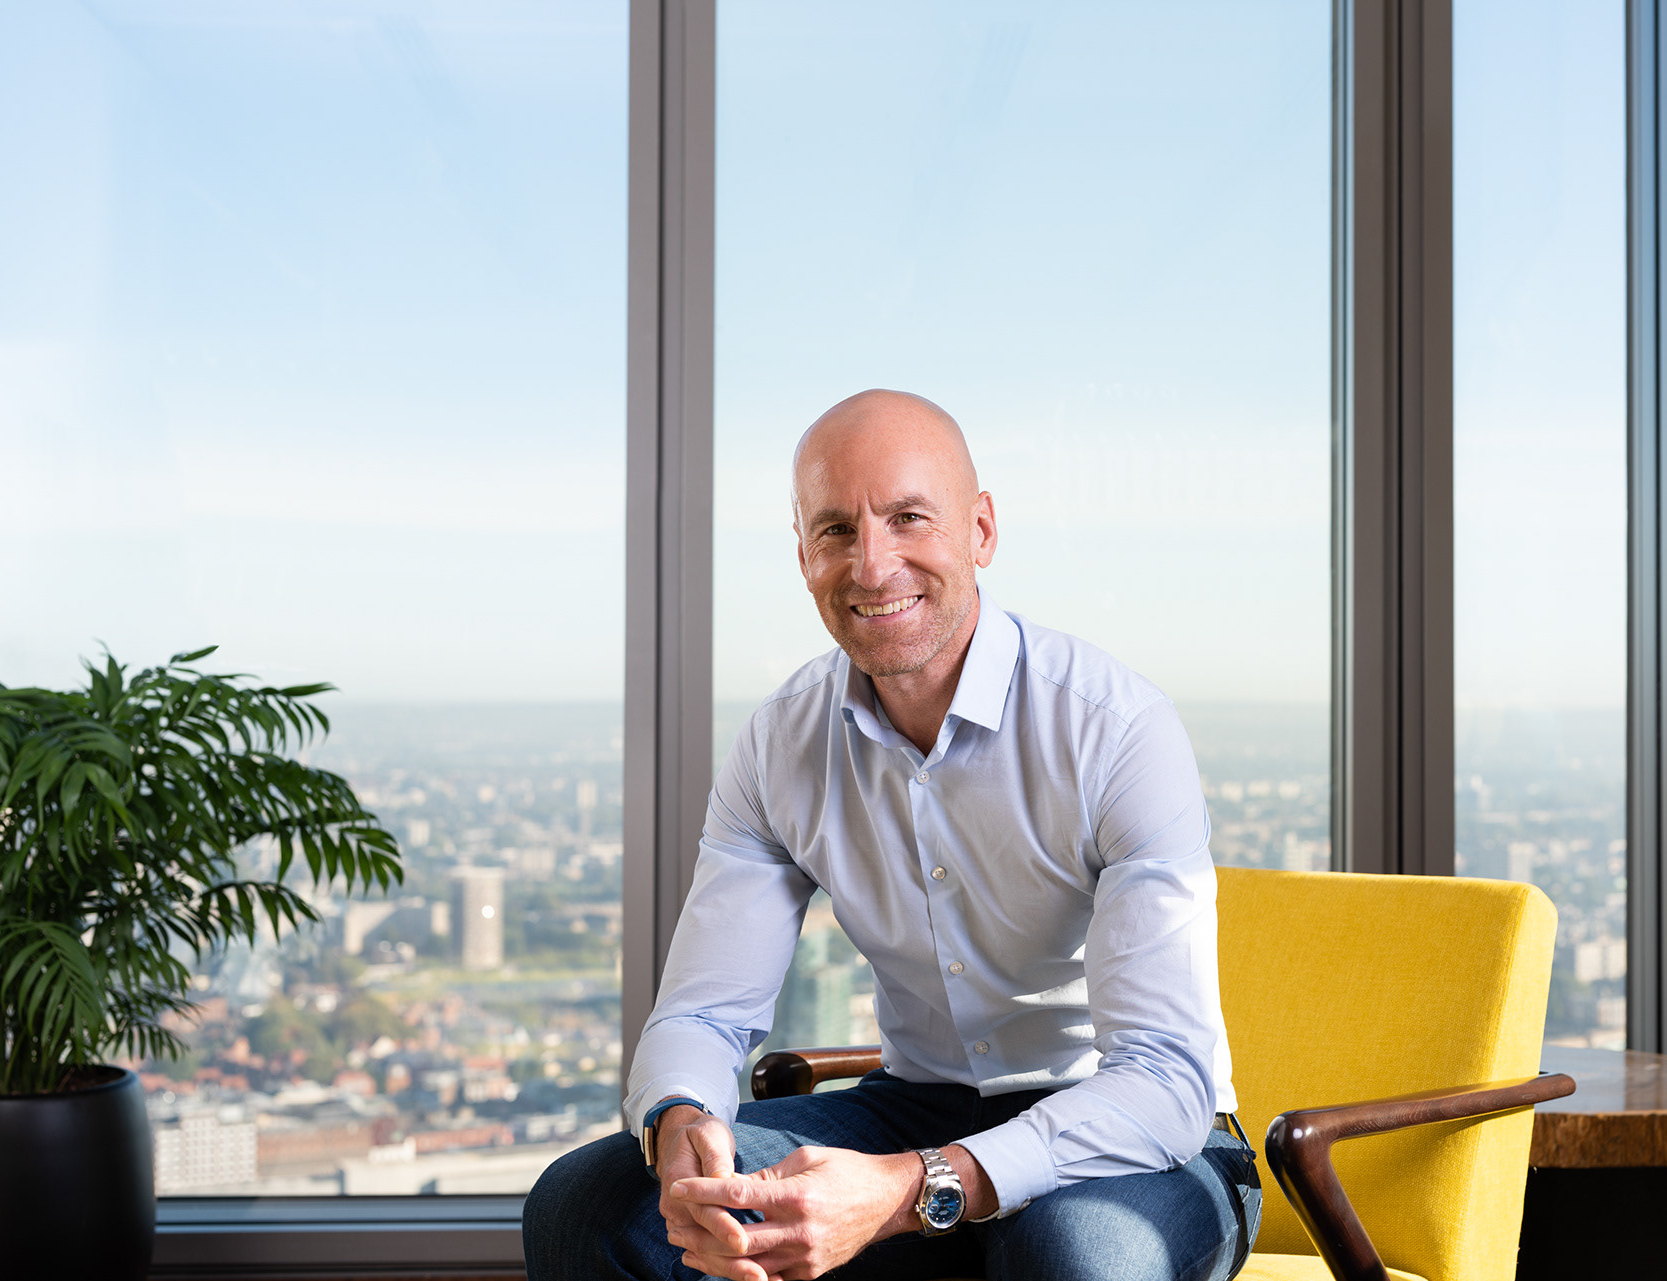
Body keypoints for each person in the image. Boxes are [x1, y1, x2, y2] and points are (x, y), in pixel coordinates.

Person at [523, 390, 1260, 1281]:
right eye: (836, 530)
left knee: (1069, 1254)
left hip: (1138, 1135)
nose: (872, 565)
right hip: (916, 1105)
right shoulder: (780, 742)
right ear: (803, 554)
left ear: (981, 531)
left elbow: (1166, 1083)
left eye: (909, 518)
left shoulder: (1115, 728)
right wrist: (682, 1121)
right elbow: (705, 1013)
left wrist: (910, 1188)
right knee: (591, 1207)